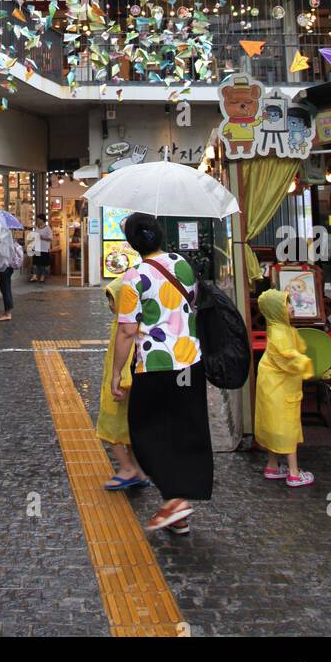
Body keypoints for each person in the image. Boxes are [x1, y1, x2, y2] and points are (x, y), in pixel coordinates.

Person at [110, 212, 212, 536]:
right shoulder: (182, 265)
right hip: (190, 363)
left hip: (155, 366)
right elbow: (192, 304)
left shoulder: (133, 277)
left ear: (131, 243)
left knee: (145, 432)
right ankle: (177, 508)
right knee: (184, 432)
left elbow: (127, 331)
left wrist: (116, 372)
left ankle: (176, 501)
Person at [254, 289, 315, 487]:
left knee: (273, 423)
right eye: (286, 304)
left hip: (272, 385)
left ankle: (273, 465)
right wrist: (307, 365)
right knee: (287, 426)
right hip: (281, 388)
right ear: (276, 310)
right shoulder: (281, 332)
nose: (291, 307)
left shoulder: (278, 327)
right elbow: (289, 357)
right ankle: (294, 473)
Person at [98, 275, 149, 491]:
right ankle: (138, 470)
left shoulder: (126, 328)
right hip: (124, 388)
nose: (110, 304)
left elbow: (128, 357)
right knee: (131, 432)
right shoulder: (127, 324)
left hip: (118, 390)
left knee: (111, 428)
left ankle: (127, 468)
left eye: (113, 299)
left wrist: (122, 384)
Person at [33, 213, 53, 283]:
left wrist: (43, 238)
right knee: (35, 262)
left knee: (44, 264)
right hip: (37, 247)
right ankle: (35, 276)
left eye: (38, 219)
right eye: (37, 219)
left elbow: (51, 238)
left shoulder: (48, 228)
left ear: (42, 220)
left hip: (44, 248)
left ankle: (42, 276)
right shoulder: (37, 227)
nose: (37, 221)